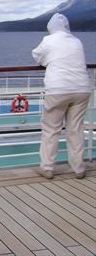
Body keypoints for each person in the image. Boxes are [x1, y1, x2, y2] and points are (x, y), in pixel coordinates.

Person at [32, 13, 92, 179]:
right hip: (82, 89)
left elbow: (37, 56)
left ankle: (48, 168)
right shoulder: (76, 41)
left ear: (50, 27)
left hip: (58, 89)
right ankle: (79, 168)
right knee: (76, 129)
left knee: (51, 129)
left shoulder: (48, 41)